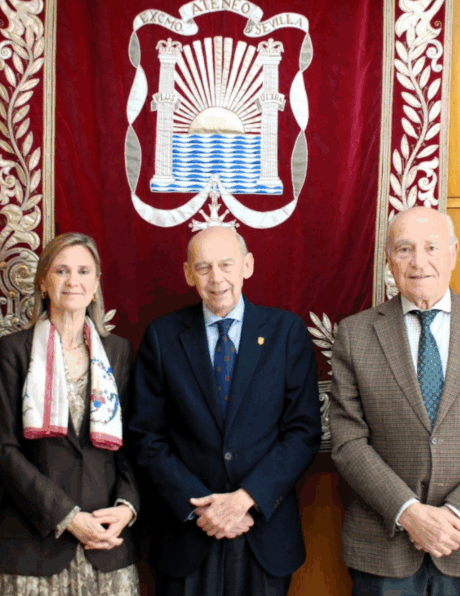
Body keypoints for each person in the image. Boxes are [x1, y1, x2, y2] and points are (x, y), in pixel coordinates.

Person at [329, 205, 460, 596]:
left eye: (432, 247)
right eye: (404, 249)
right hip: (384, 544)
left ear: (454, 253)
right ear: (388, 259)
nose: (418, 262)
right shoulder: (355, 335)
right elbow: (347, 440)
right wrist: (408, 512)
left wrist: (457, 514)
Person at [129, 226, 322, 596]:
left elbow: (303, 432)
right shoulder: (161, 337)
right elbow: (146, 436)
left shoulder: (286, 332)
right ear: (188, 274)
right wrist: (203, 508)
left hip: (262, 531)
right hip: (187, 533)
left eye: (226, 264)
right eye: (203, 267)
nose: (216, 278)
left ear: (247, 266)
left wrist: (246, 498)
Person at [0, 232, 140, 595]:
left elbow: (135, 442)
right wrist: (67, 517)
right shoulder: (12, 351)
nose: (74, 281)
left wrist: (127, 507)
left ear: (97, 283)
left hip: (106, 544)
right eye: (61, 271)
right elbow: (3, 448)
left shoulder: (118, 352)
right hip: (32, 543)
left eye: (84, 271)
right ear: (43, 282)